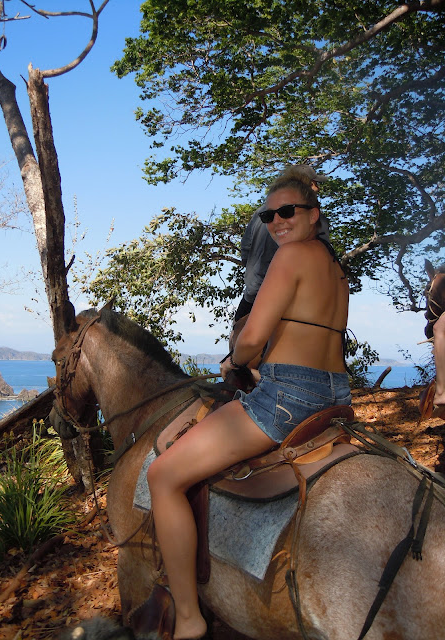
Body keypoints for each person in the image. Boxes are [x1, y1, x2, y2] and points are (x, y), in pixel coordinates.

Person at [146, 173, 351, 640]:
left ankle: (189, 618)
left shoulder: (291, 255)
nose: (277, 222)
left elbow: (253, 337)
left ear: (313, 214)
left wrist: (236, 360)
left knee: (163, 476)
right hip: (335, 393)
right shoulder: (335, 268)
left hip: (288, 397)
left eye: (288, 211)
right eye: (268, 215)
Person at [235, 164, 329, 323]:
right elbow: (322, 260)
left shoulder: (261, 212)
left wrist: (256, 275)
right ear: (303, 184)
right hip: (288, 300)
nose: (317, 189)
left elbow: (245, 249)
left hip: (253, 293)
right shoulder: (314, 218)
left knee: (238, 332)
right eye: (314, 183)